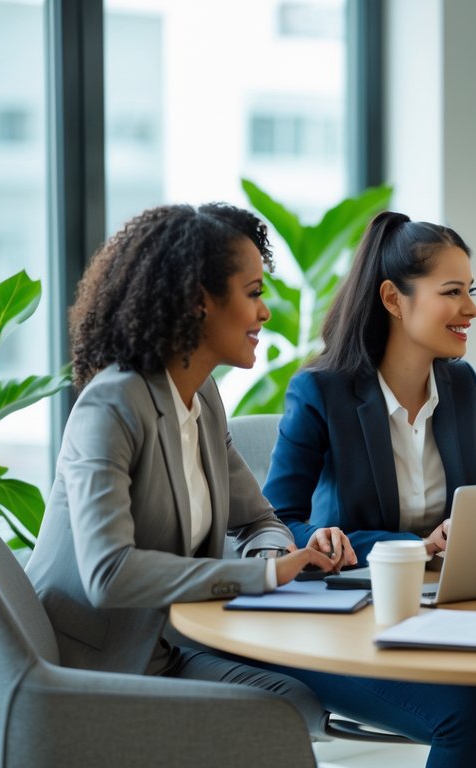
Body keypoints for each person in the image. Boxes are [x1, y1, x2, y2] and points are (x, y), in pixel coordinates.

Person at [261, 211, 476, 768]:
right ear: (393, 298)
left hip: (448, 612)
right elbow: (275, 521)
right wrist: (404, 547)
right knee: (469, 713)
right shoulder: (322, 391)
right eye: (452, 292)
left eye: (471, 291)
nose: (472, 309)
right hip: (354, 619)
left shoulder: (460, 385)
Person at [25, 203, 343, 735]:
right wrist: (262, 576)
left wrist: (278, 554)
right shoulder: (112, 405)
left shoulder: (203, 397)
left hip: (160, 652)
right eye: (254, 293)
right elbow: (109, 574)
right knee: (279, 719)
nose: (265, 313)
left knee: (298, 704)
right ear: (200, 302)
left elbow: (259, 517)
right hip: (83, 673)